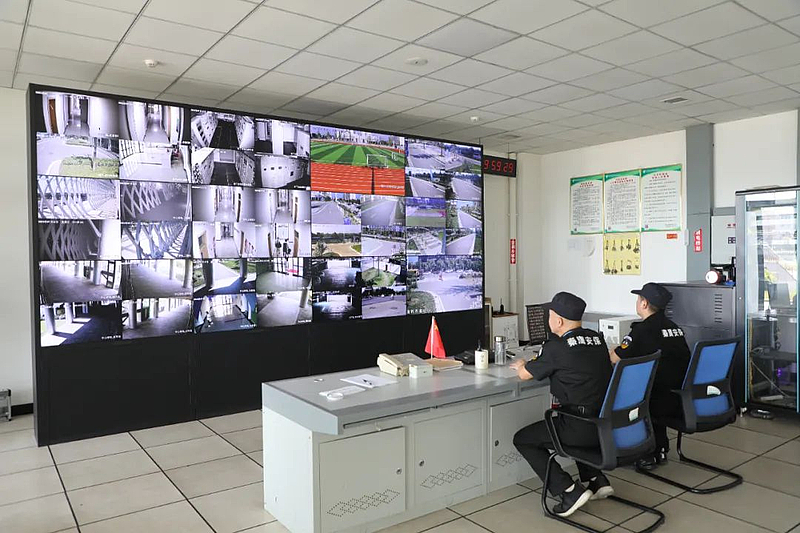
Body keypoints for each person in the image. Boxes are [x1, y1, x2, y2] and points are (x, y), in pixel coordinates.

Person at [510, 292, 614, 518]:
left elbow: (525, 374)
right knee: (575, 415)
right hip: (605, 425)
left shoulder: (556, 347)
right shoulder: (597, 340)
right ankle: (596, 479)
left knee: (524, 439)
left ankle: (568, 490)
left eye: (549, 315)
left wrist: (522, 364)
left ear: (558, 321)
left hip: (580, 428)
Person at [609, 282, 690, 470]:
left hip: (654, 399)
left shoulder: (641, 330)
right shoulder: (675, 328)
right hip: (679, 397)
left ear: (644, 303)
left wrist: (614, 349)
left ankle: (642, 451)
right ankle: (659, 449)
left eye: (639, 299)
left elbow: (614, 358)